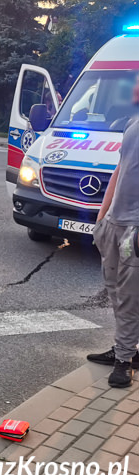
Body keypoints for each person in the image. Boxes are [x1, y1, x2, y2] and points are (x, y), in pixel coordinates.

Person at [87, 73, 139, 388]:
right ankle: (126, 348)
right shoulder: (133, 122)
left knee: (130, 296)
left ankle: (124, 362)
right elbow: (120, 169)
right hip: (115, 224)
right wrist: (101, 217)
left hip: (136, 227)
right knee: (117, 293)